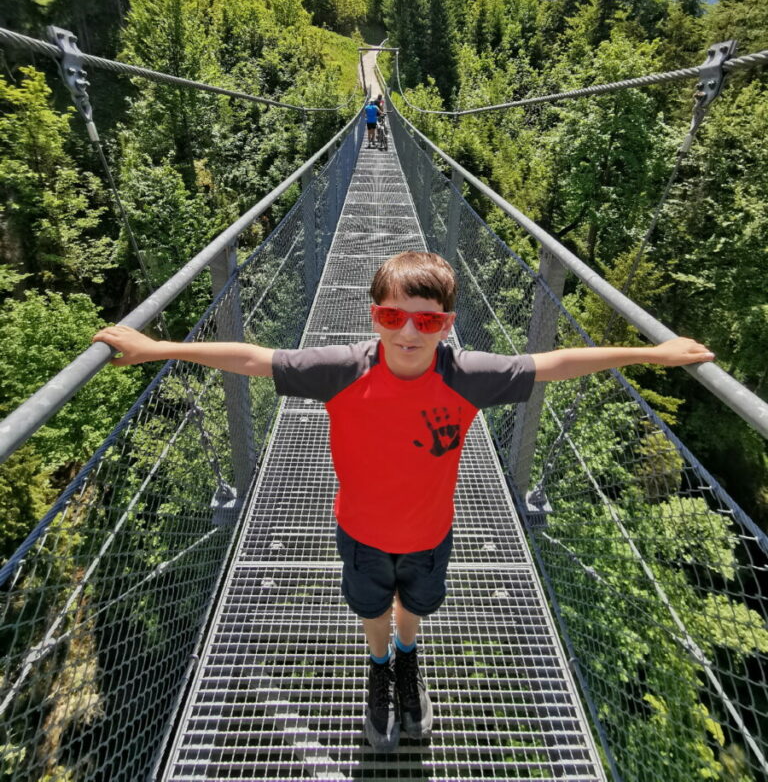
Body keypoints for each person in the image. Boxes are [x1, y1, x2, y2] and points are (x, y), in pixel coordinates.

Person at [92, 251, 714, 754]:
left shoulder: (466, 374)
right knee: (372, 609)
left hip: (429, 535)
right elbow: (253, 357)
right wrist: (161, 349)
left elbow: (553, 362)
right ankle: (380, 668)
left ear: (448, 322)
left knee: (415, 605)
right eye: (393, 318)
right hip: (360, 532)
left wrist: (651, 354)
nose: (410, 332)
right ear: (373, 317)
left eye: (428, 320)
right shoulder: (341, 369)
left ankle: (407, 662)